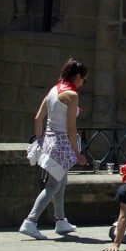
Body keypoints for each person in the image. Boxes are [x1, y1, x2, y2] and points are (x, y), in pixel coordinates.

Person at [20, 58, 88, 240]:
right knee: (53, 185)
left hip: (49, 142)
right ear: (78, 76)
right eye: (84, 79)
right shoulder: (71, 95)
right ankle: (30, 221)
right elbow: (71, 127)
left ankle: (61, 220)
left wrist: (40, 140)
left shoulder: (54, 90)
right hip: (62, 146)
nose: (83, 83)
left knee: (61, 182)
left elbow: (38, 118)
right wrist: (78, 153)